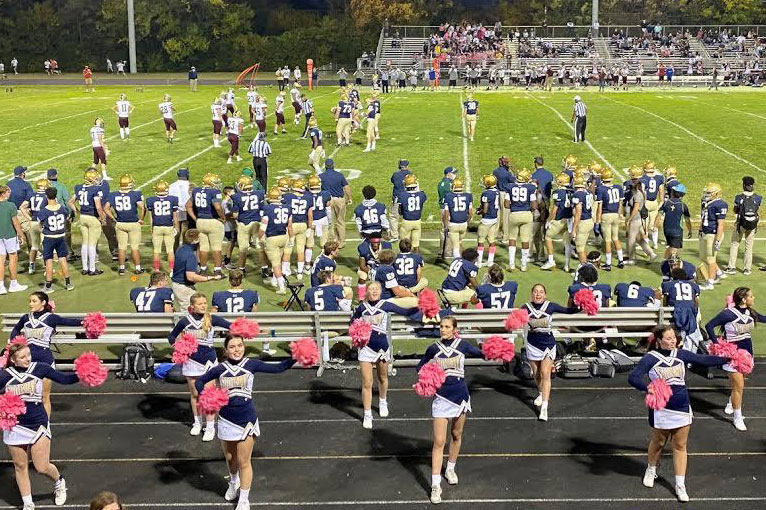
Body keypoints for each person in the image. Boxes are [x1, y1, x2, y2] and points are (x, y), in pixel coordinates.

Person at [628, 325, 730, 502]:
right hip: (661, 408)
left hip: (682, 405)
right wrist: (648, 388)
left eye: (674, 337)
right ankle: (651, 468)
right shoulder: (650, 358)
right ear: (659, 341)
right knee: (659, 441)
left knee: (680, 445)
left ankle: (680, 484)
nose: (673, 340)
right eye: (668, 338)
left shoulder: (681, 354)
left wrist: (728, 358)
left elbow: (703, 359)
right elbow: (633, 377)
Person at [194, 333, 295, 510]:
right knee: (230, 458)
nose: (236, 350)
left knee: (244, 461)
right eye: (232, 347)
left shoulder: (251, 364)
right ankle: (233, 482)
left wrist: (296, 355)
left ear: (244, 346)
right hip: (226, 420)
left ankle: (244, 499)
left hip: (246, 420)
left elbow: (279, 368)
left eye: (239, 345)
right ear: (225, 350)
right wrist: (209, 396)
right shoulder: (220, 369)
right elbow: (200, 382)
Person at [1, 342, 82, 510]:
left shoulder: (40, 368)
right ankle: (28, 503)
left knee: (41, 466)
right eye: (23, 357)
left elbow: (64, 379)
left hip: (38, 423)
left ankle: (59, 481)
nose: (28, 359)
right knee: (20, 465)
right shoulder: (4, 375)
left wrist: (82, 373)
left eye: (29, 355)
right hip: (15, 425)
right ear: (13, 360)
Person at [418, 316, 485, 504]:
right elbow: (420, 366)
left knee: (456, 434)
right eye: (441, 326)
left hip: (460, 396)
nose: (443, 329)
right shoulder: (433, 348)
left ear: (455, 329)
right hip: (441, 398)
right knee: (439, 441)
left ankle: (450, 468)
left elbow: (482, 354)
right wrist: (427, 374)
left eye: (447, 327)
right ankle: (435, 485)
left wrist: (498, 349)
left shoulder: (463, 345)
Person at [352, 281, 417, 429]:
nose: (374, 291)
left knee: (382, 377)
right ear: (367, 292)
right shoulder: (362, 308)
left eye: (377, 289)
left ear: (380, 292)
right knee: (367, 382)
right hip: (365, 348)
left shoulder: (386, 305)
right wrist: (356, 334)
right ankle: (367, 414)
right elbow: (353, 322)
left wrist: (423, 307)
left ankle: (382, 401)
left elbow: (405, 312)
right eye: (371, 289)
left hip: (382, 347)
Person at [167, 293, 231, 442]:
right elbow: (171, 337)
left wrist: (246, 328)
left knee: (209, 395)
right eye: (200, 303)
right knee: (195, 394)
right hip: (191, 362)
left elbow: (231, 326)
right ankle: (197, 423)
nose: (203, 305)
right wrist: (180, 347)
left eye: (205, 303)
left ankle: (210, 427)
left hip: (208, 362)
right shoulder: (185, 322)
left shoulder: (211, 319)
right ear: (192, 306)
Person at [10, 291, 83, 416]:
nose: (30, 304)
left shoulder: (50, 317)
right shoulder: (26, 318)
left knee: (44, 396)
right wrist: (15, 343)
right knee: (28, 396)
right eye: (30, 301)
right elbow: (16, 329)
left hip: (44, 360)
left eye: (34, 301)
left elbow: (69, 322)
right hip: (27, 361)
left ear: (43, 303)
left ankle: (45, 426)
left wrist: (87, 322)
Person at [704, 286, 766, 432]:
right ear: (744, 299)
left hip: (747, 353)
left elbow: (763, 318)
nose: (753, 298)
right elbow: (709, 325)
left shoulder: (750, 312)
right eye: (751, 296)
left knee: (739, 384)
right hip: (732, 355)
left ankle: (731, 403)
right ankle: (737, 417)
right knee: (739, 387)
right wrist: (717, 344)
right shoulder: (728, 314)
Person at [522, 283, 579, 421]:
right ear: (532, 294)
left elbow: (567, 311)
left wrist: (582, 306)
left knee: (545, 373)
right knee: (536, 375)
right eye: (535, 291)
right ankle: (541, 393)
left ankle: (544, 409)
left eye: (541, 292)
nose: (538, 294)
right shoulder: (525, 308)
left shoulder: (551, 306)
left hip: (548, 345)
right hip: (532, 345)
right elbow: (515, 320)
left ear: (545, 295)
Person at [171, 229, 222, 308]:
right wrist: (211, 278)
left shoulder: (181, 249)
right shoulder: (190, 255)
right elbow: (191, 276)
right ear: (196, 240)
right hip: (184, 288)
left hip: (177, 286)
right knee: (191, 313)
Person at [105, 174, 145, 275]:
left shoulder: (113, 194)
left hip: (120, 223)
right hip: (133, 224)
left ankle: (122, 268)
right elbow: (143, 208)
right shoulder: (136, 194)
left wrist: (114, 218)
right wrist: (141, 219)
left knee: (121, 247)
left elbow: (106, 208)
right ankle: (137, 268)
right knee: (134, 247)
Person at [69, 169, 107, 276]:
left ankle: (85, 268)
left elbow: (71, 202)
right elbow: (98, 207)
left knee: (85, 243)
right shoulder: (95, 189)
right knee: (92, 244)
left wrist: (78, 212)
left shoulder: (79, 187)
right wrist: (103, 218)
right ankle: (92, 269)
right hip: (92, 218)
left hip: (83, 217)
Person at [187, 173, 226, 276]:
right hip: (213, 221)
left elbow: (188, 205)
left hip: (200, 222)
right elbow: (217, 207)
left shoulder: (196, 190)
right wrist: (222, 217)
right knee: (216, 247)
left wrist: (196, 219)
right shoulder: (214, 191)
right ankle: (217, 271)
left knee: (203, 247)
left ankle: (203, 269)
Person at [36, 188, 74, 292]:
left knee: (49, 260)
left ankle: (48, 286)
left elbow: (40, 225)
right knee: (63, 259)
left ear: (46, 197)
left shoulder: (44, 211)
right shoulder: (62, 208)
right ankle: (68, 283)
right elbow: (67, 218)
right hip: (61, 237)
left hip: (49, 238)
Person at [259, 187, 293, 295]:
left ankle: (282, 287)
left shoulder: (267, 209)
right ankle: (274, 280)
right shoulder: (288, 207)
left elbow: (263, 227)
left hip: (272, 238)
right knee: (279, 260)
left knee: (276, 264)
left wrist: (259, 237)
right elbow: (290, 226)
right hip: (284, 237)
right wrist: (291, 238)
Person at [231, 176, 266, 275]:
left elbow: (235, 214)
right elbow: (262, 209)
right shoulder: (259, 194)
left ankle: (241, 269)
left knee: (243, 248)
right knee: (260, 246)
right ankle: (264, 268)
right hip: (256, 223)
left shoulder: (237, 196)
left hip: (243, 224)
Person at [661, 267, 702, 351]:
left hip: (674, 317)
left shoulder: (667, 285)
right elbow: (696, 302)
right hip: (689, 317)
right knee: (693, 318)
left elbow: (665, 302)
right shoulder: (694, 286)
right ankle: (692, 347)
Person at [727, 176, 761, 276]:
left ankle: (731, 267)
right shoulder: (758, 198)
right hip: (752, 225)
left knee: (734, 244)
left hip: (740, 224)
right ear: (753, 185)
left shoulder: (739, 197)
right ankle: (747, 269)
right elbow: (757, 210)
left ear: (744, 185)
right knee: (749, 247)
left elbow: (735, 210)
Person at [506, 168, 537, 271]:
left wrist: (515, 207)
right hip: (526, 214)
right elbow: (534, 205)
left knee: (512, 238)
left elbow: (506, 204)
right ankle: (523, 265)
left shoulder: (510, 187)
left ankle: (511, 264)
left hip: (514, 214)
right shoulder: (531, 188)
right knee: (525, 239)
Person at [282, 178, 313, 280]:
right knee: (300, 249)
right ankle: (300, 272)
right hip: (303, 225)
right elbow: (310, 214)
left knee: (287, 249)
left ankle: (285, 271)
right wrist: (309, 227)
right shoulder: (308, 198)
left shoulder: (287, 197)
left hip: (292, 224)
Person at [542, 173, 574, 272]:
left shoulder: (558, 192)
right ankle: (567, 265)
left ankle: (551, 260)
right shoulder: (572, 191)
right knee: (567, 243)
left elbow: (555, 209)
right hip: (570, 220)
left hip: (560, 219)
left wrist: (549, 220)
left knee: (547, 237)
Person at [625, 166, 657, 265]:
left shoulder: (637, 194)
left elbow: (636, 208)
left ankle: (632, 258)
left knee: (631, 238)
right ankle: (651, 254)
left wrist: (629, 219)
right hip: (638, 218)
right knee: (639, 238)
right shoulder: (640, 190)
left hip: (635, 218)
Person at [146, 180, 179, 272]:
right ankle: (172, 270)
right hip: (168, 227)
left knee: (156, 250)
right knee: (170, 250)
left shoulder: (150, 200)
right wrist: (176, 227)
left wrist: (151, 227)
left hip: (157, 227)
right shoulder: (173, 199)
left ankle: (157, 269)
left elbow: (151, 217)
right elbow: (175, 216)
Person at [595, 168, 625, 270]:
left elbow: (599, 206)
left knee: (607, 240)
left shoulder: (600, 189)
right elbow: (621, 203)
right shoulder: (618, 187)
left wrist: (597, 220)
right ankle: (621, 260)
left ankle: (608, 263)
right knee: (616, 238)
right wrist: (620, 214)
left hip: (606, 215)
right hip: (615, 215)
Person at [699, 182, 727, 289]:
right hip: (705, 232)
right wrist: (701, 230)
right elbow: (703, 217)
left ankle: (710, 282)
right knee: (703, 257)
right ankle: (719, 272)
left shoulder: (720, 205)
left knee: (711, 259)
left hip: (713, 234)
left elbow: (721, 224)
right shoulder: (705, 202)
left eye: (709, 193)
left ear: (716, 193)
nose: (706, 194)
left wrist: (718, 240)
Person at [0, 185, 27, 294]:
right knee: (13, 257)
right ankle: (13, 284)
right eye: (8, 192)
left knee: (1, 260)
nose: (9, 194)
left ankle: (1, 286)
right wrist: (21, 235)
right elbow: (16, 223)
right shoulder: (11, 206)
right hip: (10, 235)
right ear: (4, 193)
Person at [320, 159, 352, 248]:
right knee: (340, 221)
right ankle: (341, 242)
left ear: (325, 166)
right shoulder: (339, 175)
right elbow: (347, 188)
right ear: (333, 165)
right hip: (339, 200)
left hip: (327, 201)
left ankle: (330, 242)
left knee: (329, 222)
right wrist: (349, 198)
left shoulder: (321, 176)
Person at [442, 178, 473, 259]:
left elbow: (446, 214)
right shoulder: (468, 196)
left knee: (455, 246)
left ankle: (457, 262)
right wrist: (467, 222)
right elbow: (470, 213)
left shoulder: (448, 196)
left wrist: (445, 227)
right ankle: (462, 259)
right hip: (463, 224)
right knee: (459, 242)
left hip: (453, 224)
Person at [356, 236, 391, 301]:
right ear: (370, 242)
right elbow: (362, 266)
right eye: (373, 243)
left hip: (382, 269)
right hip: (368, 269)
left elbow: (389, 262)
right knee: (362, 276)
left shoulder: (386, 246)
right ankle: (361, 297)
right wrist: (371, 271)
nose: (375, 244)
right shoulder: (364, 248)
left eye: (377, 243)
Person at [398, 174, 426, 252]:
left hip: (407, 221)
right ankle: (418, 261)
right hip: (417, 221)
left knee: (404, 244)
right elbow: (422, 196)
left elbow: (400, 211)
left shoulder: (402, 195)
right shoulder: (421, 194)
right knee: (416, 245)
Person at [476, 174, 500, 267]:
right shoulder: (496, 191)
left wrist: (479, 211)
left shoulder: (486, 193)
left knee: (481, 241)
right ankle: (490, 261)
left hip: (487, 219)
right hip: (494, 218)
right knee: (491, 240)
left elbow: (485, 208)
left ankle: (479, 261)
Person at [570, 174, 595, 264]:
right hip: (589, 220)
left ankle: (584, 268)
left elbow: (578, 213)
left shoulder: (578, 195)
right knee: (582, 245)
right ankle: (587, 265)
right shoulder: (587, 193)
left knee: (579, 247)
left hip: (583, 222)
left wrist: (574, 228)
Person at [169, 168, 191, 250]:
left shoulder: (171, 185)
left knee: (176, 233)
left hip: (175, 211)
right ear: (187, 175)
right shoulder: (190, 185)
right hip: (186, 210)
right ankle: (185, 251)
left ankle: (175, 252)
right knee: (186, 233)